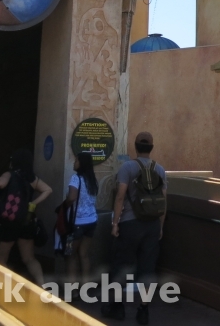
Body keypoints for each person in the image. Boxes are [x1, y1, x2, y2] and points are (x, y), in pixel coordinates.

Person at [102, 132, 167, 324]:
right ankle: (143, 311)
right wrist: (160, 226)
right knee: (147, 269)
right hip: (152, 225)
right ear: (151, 148)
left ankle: (117, 308)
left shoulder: (127, 167)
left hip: (130, 224)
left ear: (135, 146)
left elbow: (120, 196)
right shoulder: (160, 169)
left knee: (121, 266)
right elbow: (164, 201)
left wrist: (115, 223)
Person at [0, 149, 52, 284]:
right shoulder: (32, 178)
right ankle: (42, 287)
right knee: (29, 259)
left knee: (1, 259)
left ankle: (10, 288)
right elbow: (48, 189)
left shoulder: (9, 174)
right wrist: (33, 203)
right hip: (26, 221)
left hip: (9, 222)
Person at [65, 152, 99, 284]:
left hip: (76, 222)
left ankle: (72, 291)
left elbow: (72, 197)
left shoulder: (75, 178)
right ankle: (85, 287)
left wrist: (65, 205)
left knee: (70, 255)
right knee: (83, 255)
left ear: (81, 163)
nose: (74, 163)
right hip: (91, 221)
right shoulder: (91, 180)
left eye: (76, 161)